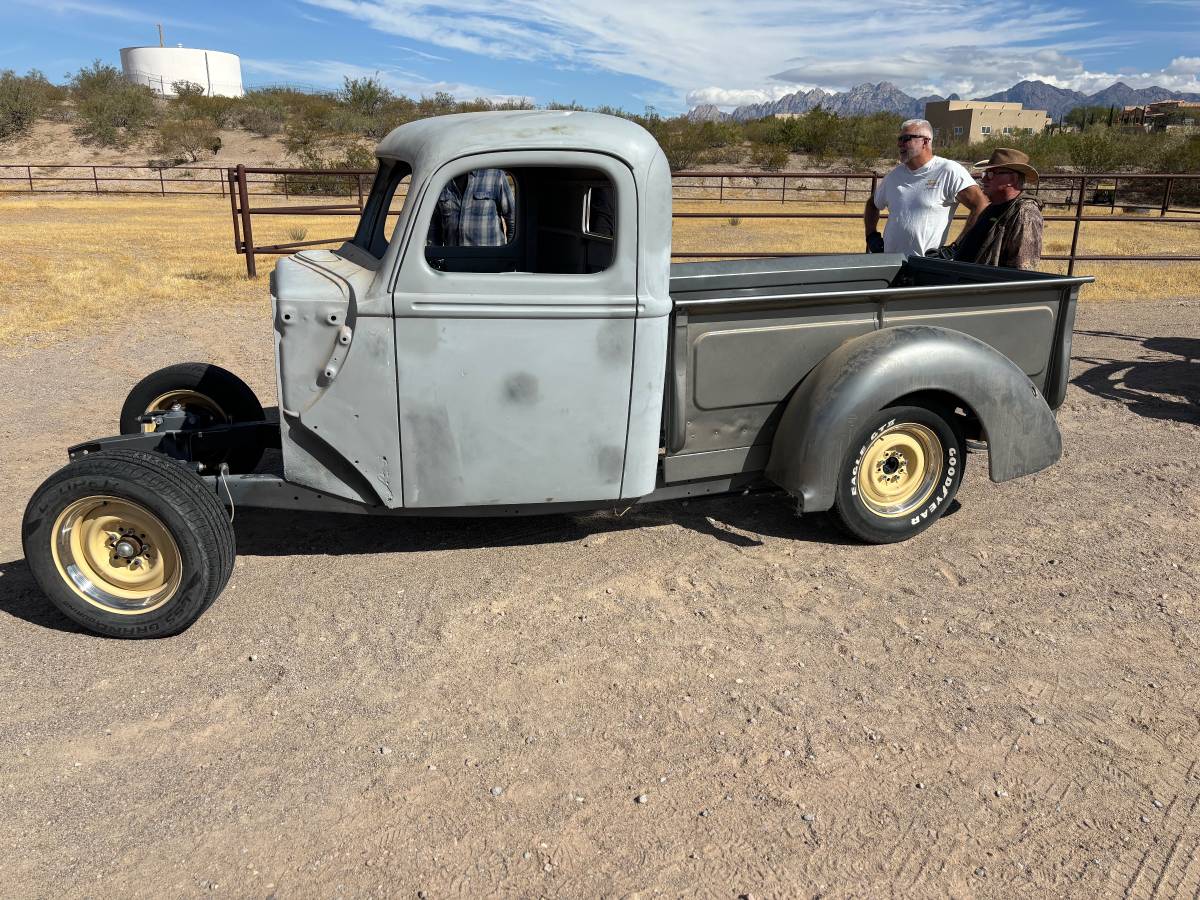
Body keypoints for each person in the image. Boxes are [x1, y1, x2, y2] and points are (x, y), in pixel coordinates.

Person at [864, 118, 988, 256]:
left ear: (925, 141)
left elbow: (981, 205)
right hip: (890, 264)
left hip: (926, 266)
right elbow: (872, 204)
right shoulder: (893, 176)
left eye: (906, 139)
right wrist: (871, 235)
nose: (899, 144)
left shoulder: (948, 171)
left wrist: (957, 247)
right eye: (899, 139)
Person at [948, 148, 1044, 269]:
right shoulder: (991, 208)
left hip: (987, 286)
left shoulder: (1025, 213)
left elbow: (1021, 272)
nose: (984, 179)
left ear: (1012, 179)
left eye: (991, 174)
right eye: (985, 174)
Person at [428, 168, 515, 247]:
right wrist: (435, 257)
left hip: (491, 260)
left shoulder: (495, 175)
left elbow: (513, 219)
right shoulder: (441, 179)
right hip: (453, 260)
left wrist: (509, 253)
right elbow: (434, 227)